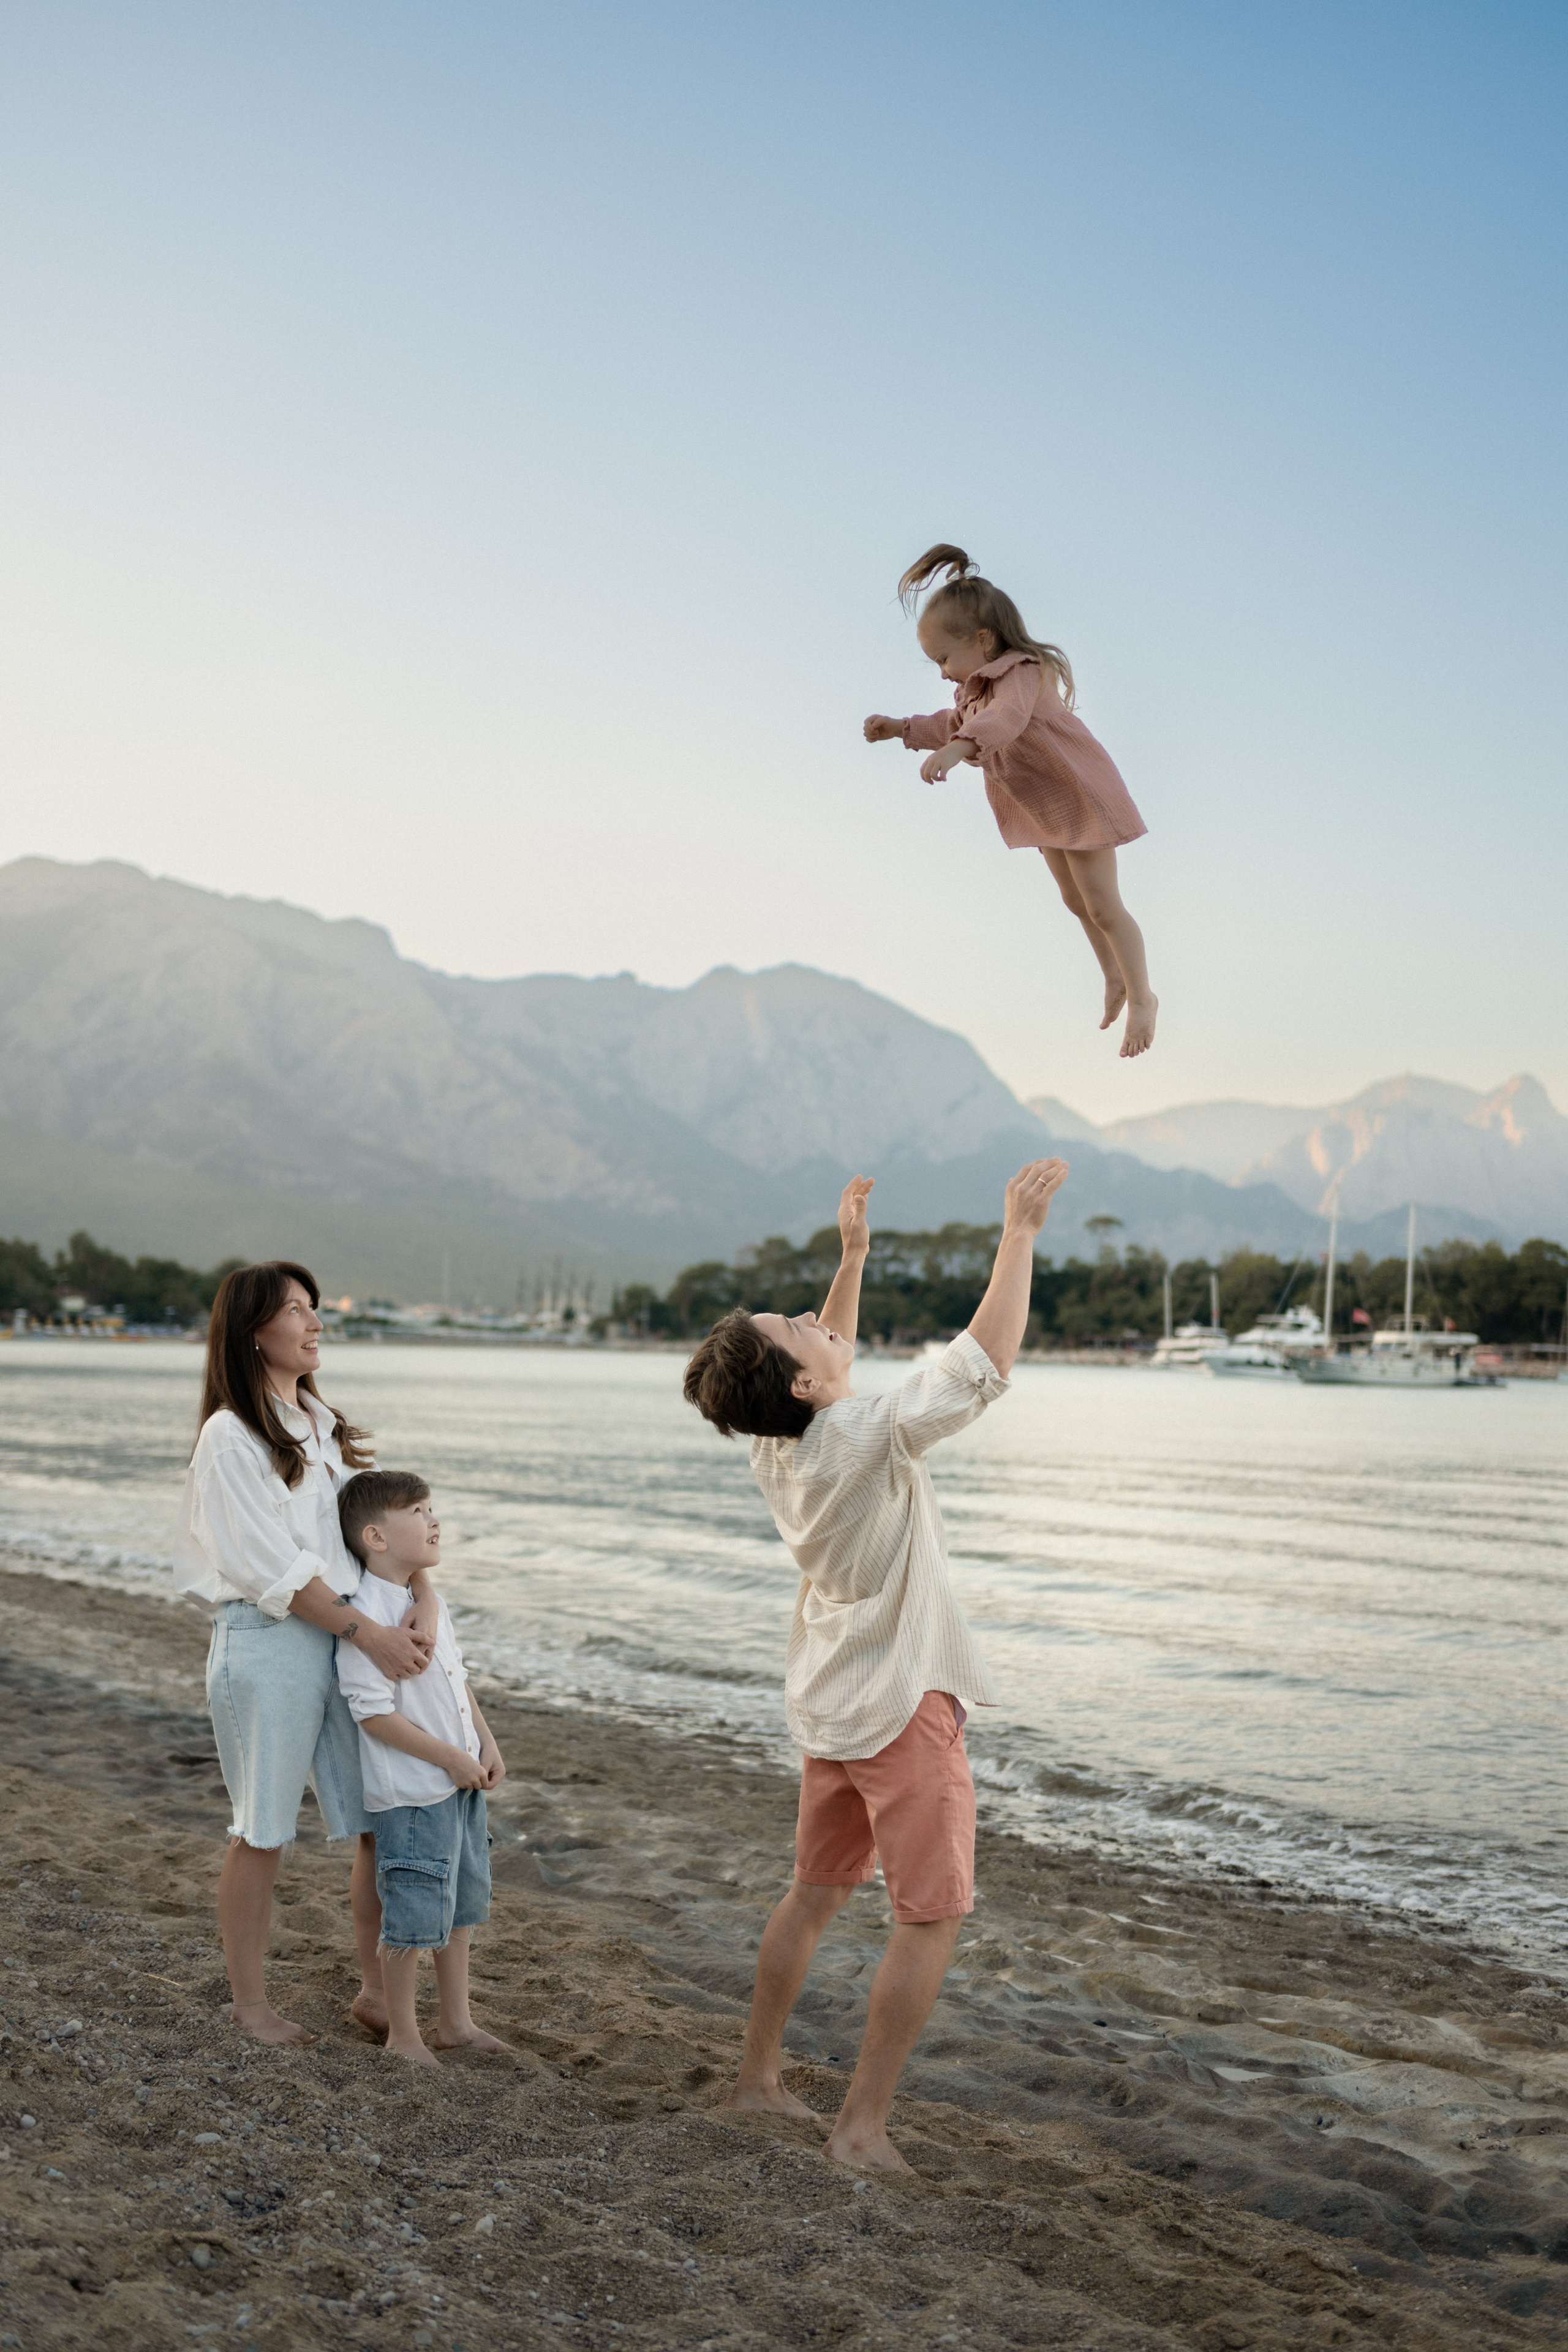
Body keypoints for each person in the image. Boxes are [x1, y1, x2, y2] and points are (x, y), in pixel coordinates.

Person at [682, 1158, 1069, 2169]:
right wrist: (1017, 1235)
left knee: (813, 1895)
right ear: (805, 1379)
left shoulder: (776, 1439)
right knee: (931, 1917)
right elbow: (983, 1360)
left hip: (830, 1703)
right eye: (798, 1325)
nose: (814, 1318)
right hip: (901, 1707)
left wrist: (852, 1258)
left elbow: (821, 1359)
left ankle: (758, 2082)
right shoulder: (864, 1430)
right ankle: (860, 2128)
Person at [175, 1262, 439, 2046]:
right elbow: (273, 1571)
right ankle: (251, 2007)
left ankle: (376, 1996)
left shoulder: (321, 1424)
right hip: (272, 1644)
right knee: (262, 1829)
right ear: (255, 1332)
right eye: (297, 1311)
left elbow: (374, 1530)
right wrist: (370, 1634)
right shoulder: (229, 1435)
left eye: (315, 1308)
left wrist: (419, 1598)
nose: (316, 1322)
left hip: (345, 1638)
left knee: (372, 1820)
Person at [864, 545, 1157, 1058]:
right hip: (1044, 804)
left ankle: (1143, 996)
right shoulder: (973, 694)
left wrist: (959, 749)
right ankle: (1112, 976)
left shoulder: (1022, 672)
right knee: (1074, 902)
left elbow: (1005, 721)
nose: (942, 673)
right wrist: (900, 729)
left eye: (944, 659)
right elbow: (950, 722)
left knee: (1104, 906)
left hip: (1078, 793)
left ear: (983, 639)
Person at [334, 1469, 511, 2068]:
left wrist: (483, 1744)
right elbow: (373, 1716)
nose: (434, 1520)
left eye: (431, 1508)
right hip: (412, 1794)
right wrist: (450, 1759)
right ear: (376, 1537)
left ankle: (457, 2023)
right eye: (417, 1511)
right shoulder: (365, 1614)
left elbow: (458, 1683)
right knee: (411, 1915)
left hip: (459, 1784)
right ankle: (403, 2034)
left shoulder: (425, 1602)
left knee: (461, 1908)